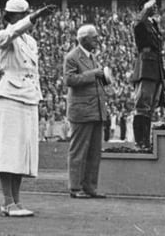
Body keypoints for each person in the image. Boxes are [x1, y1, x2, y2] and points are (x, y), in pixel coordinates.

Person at [0, 0, 56, 217]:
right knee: (8, 151)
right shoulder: (3, 35)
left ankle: (17, 201)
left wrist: (38, 96)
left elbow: (34, 72)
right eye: (21, 15)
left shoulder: (31, 42)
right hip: (10, 94)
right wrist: (34, 17)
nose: (26, 19)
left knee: (21, 152)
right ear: (10, 16)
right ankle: (7, 201)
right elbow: (12, 34)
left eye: (27, 14)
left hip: (28, 96)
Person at [64, 24, 108, 199]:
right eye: (94, 37)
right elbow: (69, 80)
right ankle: (75, 188)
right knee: (79, 151)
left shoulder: (92, 57)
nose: (97, 40)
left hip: (95, 110)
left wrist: (103, 78)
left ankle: (90, 187)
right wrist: (94, 74)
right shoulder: (72, 57)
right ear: (84, 39)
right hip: (82, 111)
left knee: (94, 152)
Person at [130, 0, 165, 149]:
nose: (155, 7)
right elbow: (137, 23)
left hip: (155, 68)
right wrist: (146, 9)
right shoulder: (141, 22)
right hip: (146, 68)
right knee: (142, 106)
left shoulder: (153, 24)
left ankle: (146, 141)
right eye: (152, 4)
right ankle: (140, 141)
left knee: (150, 108)